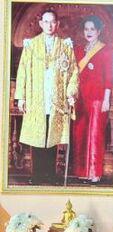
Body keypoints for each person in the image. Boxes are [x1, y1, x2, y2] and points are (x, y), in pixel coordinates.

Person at [14, 9, 79, 186]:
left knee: (52, 137)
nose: (49, 25)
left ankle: (50, 175)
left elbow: (73, 72)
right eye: (46, 21)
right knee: (38, 136)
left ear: (57, 24)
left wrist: (71, 93)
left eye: (53, 22)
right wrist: (21, 97)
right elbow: (22, 71)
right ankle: (37, 174)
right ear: (41, 23)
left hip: (56, 99)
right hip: (36, 98)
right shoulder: (31, 45)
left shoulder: (65, 46)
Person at [71, 15, 113, 184]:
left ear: (98, 31)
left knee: (95, 135)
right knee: (80, 134)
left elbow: (109, 77)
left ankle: (95, 172)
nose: (88, 32)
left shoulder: (106, 50)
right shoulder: (79, 50)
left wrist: (106, 99)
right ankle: (82, 171)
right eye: (86, 29)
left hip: (98, 98)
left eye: (92, 29)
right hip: (81, 98)